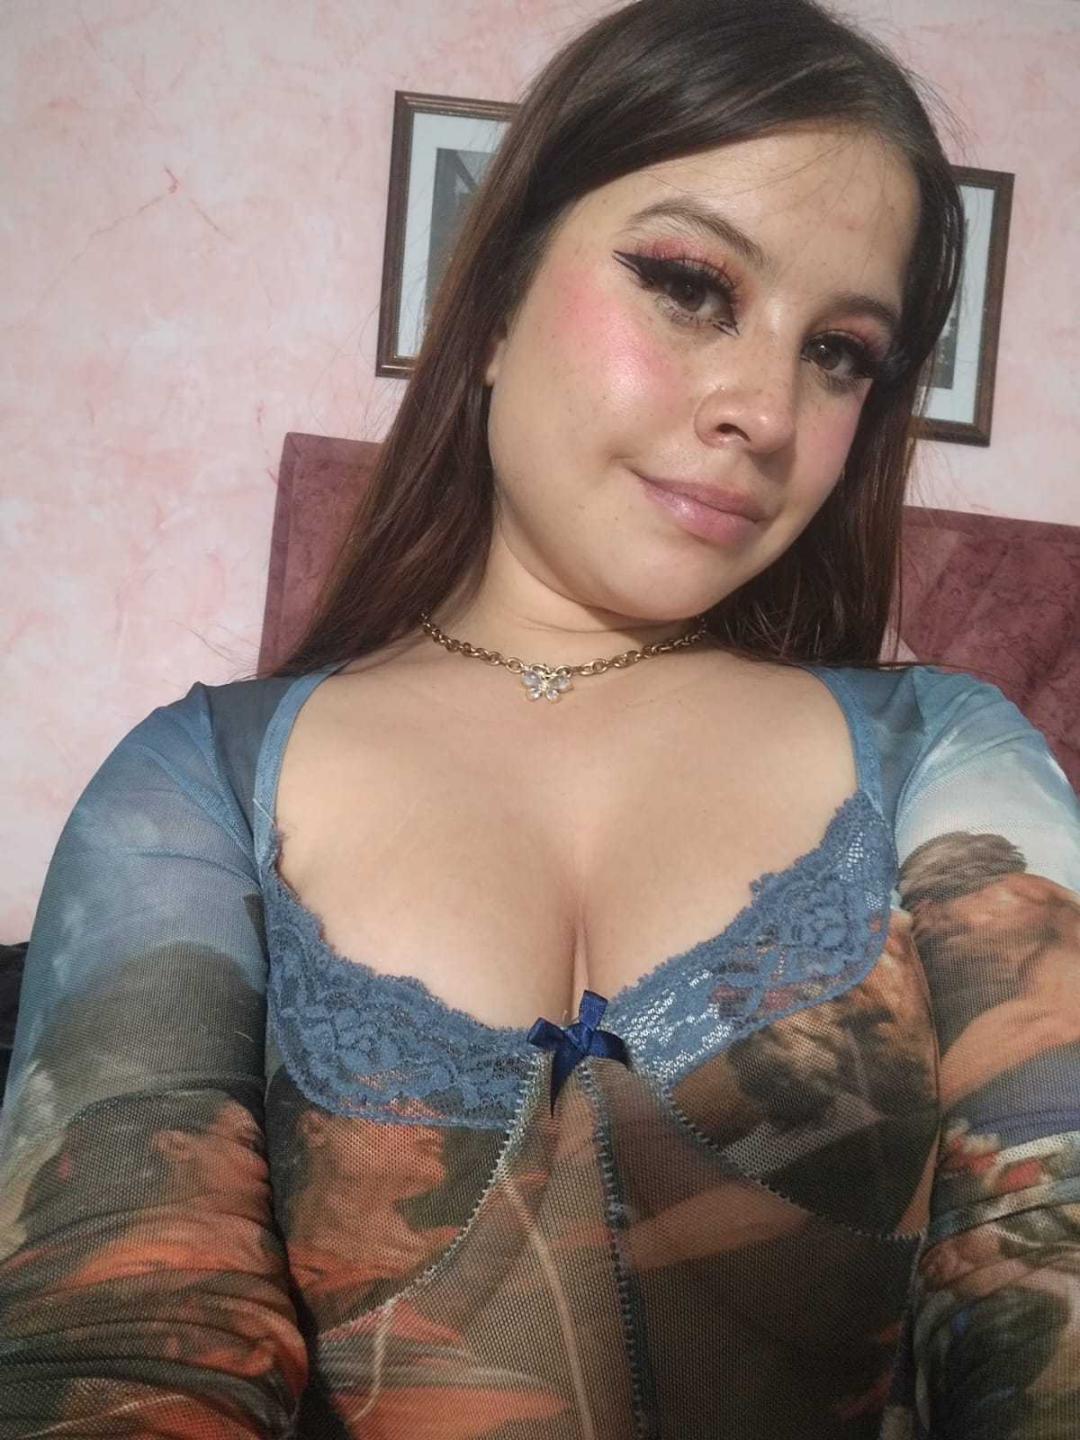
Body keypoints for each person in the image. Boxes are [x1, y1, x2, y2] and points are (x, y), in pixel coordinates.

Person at [1, 0, 1078, 1432]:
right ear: (498, 300)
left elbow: (1051, 1262)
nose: (766, 408)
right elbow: (121, 1339)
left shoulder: (948, 752)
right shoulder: (195, 782)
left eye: (839, 352)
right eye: (690, 284)